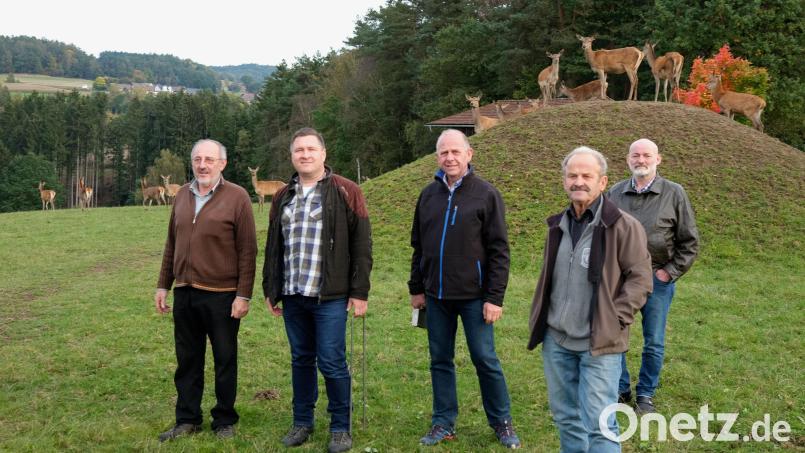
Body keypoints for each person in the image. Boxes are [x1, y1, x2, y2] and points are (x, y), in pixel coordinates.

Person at [527, 146, 652, 453]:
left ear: (602, 181)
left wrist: (614, 319)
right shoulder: (557, 225)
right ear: (564, 181)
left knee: (600, 424)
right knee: (566, 418)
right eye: (572, 175)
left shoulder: (623, 226)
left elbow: (640, 279)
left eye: (586, 175)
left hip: (599, 344)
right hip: (557, 341)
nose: (578, 182)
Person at [409, 129, 521, 449]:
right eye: (444, 152)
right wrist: (417, 288)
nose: (450, 158)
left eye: (456, 152)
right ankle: (443, 422)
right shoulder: (427, 195)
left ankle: (501, 422)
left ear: (469, 154)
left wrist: (494, 297)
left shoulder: (486, 194)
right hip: (436, 297)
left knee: (485, 358)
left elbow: (499, 250)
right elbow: (418, 246)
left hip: (475, 297)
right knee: (439, 359)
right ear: (437, 157)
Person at [263, 127, 372, 453]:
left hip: (331, 296)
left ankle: (340, 427)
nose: (305, 155)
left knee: (332, 361)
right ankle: (302, 422)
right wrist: (271, 288)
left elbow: (362, 245)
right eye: (299, 150)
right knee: (301, 359)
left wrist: (360, 292)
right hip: (294, 293)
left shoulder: (346, 191)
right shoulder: (282, 196)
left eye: (311, 149)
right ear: (292, 157)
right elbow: (273, 247)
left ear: (323, 154)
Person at [154, 139, 257, 441]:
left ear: (222, 163)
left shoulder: (237, 197)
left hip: (222, 294)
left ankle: (224, 419)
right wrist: (163, 284)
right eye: (198, 159)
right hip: (185, 292)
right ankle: (187, 419)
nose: (203, 165)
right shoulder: (182, 195)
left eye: (209, 159)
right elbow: (171, 244)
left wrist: (243, 294)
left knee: (224, 358)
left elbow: (248, 250)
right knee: (187, 360)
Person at [608, 138, 699, 413]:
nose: (641, 160)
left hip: (656, 280)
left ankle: (645, 393)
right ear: (628, 159)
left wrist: (668, 273)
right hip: (620, 280)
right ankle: (621, 388)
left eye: (647, 155)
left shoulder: (674, 193)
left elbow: (689, 241)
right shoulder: (615, 193)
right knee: (614, 336)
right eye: (636, 155)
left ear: (658, 159)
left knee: (654, 341)